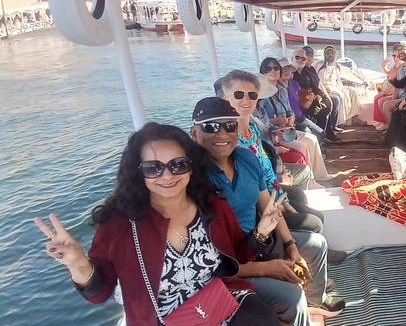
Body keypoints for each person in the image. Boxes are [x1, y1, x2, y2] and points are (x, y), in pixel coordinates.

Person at [33, 122, 280, 325]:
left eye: (178, 164)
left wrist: (262, 231)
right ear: (138, 172)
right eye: (153, 168)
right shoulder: (119, 224)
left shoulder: (211, 205)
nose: (167, 175)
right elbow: (100, 292)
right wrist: (77, 263)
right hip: (161, 319)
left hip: (217, 301)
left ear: (191, 166)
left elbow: (237, 253)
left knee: (264, 318)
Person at [190, 97, 346, 325]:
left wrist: (291, 245)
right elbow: (214, 263)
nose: (221, 134)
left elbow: (268, 207)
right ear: (194, 133)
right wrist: (265, 268)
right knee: (291, 298)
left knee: (316, 244)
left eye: (230, 126)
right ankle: (300, 310)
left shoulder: (246, 158)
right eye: (211, 126)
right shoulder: (194, 178)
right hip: (230, 263)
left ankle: (315, 304)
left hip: (258, 242)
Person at [260, 57, 336, 183]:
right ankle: (310, 181)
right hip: (275, 135)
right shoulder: (261, 95)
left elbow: (290, 110)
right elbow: (261, 120)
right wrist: (276, 122)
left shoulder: (282, 90)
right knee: (302, 147)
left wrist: (291, 118)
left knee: (312, 139)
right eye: (268, 68)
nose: (273, 71)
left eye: (275, 68)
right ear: (262, 73)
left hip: (288, 130)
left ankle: (321, 175)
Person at [293, 48, 340, 142]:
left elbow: (317, 85)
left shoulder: (310, 69)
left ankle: (327, 133)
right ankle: (322, 136)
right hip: (304, 104)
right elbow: (302, 95)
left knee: (331, 102)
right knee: (324, 107)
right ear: (292, 59)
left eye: (303, 58)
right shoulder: (294, 75)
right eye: (297, 58)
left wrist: (319, 95)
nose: (301, 60)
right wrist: (315, 97)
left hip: (312, 98)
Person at [313, 45, 360, 126]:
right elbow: (317, 80)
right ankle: (338, 122)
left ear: (335, 55)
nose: (330, 55)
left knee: (352, 92)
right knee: (340, 96)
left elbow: (348, 73)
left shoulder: (337, 66)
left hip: (337, 86)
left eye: (332, 53)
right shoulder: (319, 65)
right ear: (325, 55)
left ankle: (355, 118)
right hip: (326, 88)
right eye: (328, 53)